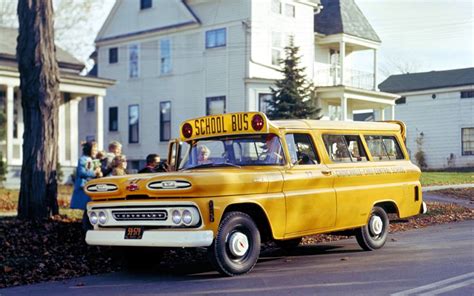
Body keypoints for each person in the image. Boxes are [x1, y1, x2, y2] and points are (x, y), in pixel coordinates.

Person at [70, 141, 102, 230]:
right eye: (94, 149)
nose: (96, 151)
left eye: (96, 149)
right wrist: (94, 172)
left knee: (90, 207)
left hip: (91, 186)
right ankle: (86, 227)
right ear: (89, 150)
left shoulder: (92, 159)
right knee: (87, 206)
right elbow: (82, 172)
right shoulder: (83, 159)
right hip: (84, 187)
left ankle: (89, 225)